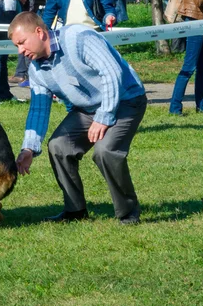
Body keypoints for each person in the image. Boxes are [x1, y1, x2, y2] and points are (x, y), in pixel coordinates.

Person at [11, 12, 147, 224]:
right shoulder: (36, 70)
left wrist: (103, 117)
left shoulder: (78, 37)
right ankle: (75, 211)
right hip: (87, 109)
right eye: (16, 46)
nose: (20, 50)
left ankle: (128, 213)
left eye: (22, 42)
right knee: (59, 146)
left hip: (126, 100)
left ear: (39, 32)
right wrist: (28, 148)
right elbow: (38, 109)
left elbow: (112, 73)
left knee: (105, 151)